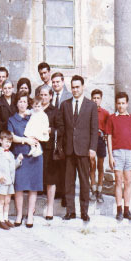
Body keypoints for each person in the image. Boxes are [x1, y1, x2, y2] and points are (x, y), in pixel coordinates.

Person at [57, 75, 98, 222]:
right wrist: (60, 147)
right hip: (69, 150)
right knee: (68, 182)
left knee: (84, 181)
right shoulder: (65, 105)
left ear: (83, 87)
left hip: (84, 149)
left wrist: (92, 148)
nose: (75, 90)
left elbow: (94, 129)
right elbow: (61, 128)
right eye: (73, 87)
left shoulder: (91, 106)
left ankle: (84, 211)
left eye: (77, 87)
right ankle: (70, 211)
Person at [8, 91, 43, 228]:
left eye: (24, 101)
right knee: (19, 186)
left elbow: (42, 129)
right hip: (20, 155)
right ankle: (19, 214)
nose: (22, 104)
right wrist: (26, 140)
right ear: (16, 104)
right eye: (20, 101)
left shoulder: (34, 116)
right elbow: (11, 137)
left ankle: (30, 215)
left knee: (33, 187)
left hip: (35, 155)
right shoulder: (12, 119)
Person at [106, 92, 131, 221]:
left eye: (123, 103)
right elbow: (109, 137)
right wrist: (110, 156)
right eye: (118, 103)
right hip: (117, 153)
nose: (121, 106)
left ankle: (127, 210)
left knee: (128, 182)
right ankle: (119, 210)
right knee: (118, 181)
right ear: (116, 104)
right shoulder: (112, 118)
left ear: (127, 104)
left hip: (129, 153)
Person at [0, 130, 23, 230]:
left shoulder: (11, 154)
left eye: (10, 142)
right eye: (6, 141)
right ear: (0, 141)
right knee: (1, 201)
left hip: (10, 182)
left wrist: (18, 160)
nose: (8, 144)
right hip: (2, 182)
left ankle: (6, 218)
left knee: (8, 201)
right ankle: (1, 220)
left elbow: (13, 166)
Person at [51, 72, 72, 207]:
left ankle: (65, 194)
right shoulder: (51, 95)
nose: (55, 84)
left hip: (65, 136)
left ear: (63, 82)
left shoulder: (69, 96)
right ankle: (58, 191)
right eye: (53, 82)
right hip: (53, 135)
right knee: (55, 165)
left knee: (66, 167)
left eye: (58, 82)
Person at [39, 85, 59, 219]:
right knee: (37, 176)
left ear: (51, 96)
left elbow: (60, 128)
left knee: (50, 178)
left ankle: (50, 206)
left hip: (50, 147)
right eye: (41, 95)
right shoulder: (36, 110)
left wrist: (50, 130)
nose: (43, 97)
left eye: (46, 95)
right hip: (37, 148)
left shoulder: (55, 111)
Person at [90, 89, 109, 203]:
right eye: (94, 98)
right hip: (91, 140)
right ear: (91, 99)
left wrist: (105, 135)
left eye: (98, 98)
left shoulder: (105, 113)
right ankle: (93, 189)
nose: (96, 100)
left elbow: (107, 127)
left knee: (100, 166)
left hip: (100, 140)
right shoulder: (88, 111)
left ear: (101, 99)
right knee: (92, 165)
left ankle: (100, 190)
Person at [0, 79, 17, 150]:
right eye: (5, 88)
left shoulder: (17, 99)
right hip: (3, 134)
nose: (7, 90)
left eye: (9, 88)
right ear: (2, 89)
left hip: (17, 133)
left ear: (13, 88)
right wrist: (7, 127)